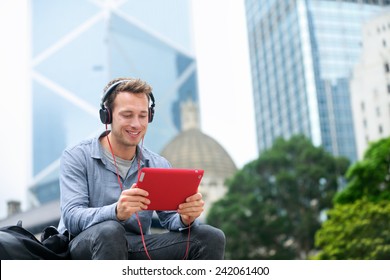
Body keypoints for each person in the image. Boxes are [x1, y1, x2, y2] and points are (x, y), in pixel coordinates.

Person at [57, 77, 226, 260]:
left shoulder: (158, 164)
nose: (136, 124)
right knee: (110, 230)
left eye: (143, 116)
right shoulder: (76, 156)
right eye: (127, 115)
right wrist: (115, 212)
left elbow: (170, 219)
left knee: (211, 236)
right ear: (107, 115)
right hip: (84, 247)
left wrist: (186, 218)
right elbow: (72, 217)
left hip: (136, 246)